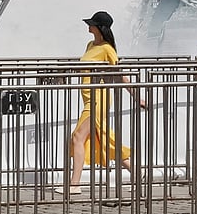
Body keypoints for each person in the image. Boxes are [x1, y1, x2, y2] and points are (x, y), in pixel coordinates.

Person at [60, 11, 145, 195]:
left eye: (92, 24)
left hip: (98, 99)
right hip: (88, 98)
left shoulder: (107, 49)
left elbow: (120, 74)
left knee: (78, 138)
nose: (88, 26)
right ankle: (137, 172)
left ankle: (74, 184)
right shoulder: (90, 44)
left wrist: (137, 97)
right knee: (103, 139)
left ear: (100, 28)